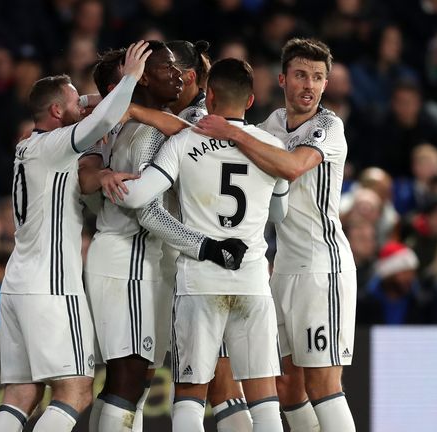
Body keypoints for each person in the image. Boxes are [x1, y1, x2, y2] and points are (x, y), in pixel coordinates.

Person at [112, 57, 289, 432]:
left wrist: (110, 177)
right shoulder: (271, 147)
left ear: (208, 97)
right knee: (265, 403)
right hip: (253, 280)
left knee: (190, 398)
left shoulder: (183, 142)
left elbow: (138, 198)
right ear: (251, 100)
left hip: (200, 283)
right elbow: (280, 213)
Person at [84, 42, 249, 432]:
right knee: (129, 380)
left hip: (126, 257)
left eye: (177, 68)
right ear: (140, 77)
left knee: (129, 383)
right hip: (130, 259)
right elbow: (147, 210)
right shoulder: (147, 132)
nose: (178, 76)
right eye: (164, 69)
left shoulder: (126, 126)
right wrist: (206, 246)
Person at [197, 38, 357, 432]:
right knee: (287, 386)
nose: (310, 85)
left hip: (323, 268)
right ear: (282, 79)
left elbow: (291, 167)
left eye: (319, 78)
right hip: (282, 268)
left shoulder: (328, 126)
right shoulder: (269, 126)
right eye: (302, 75)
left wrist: (235, 136)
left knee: (323, 384)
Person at [0, 41, 150, 432]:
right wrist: (129, 79)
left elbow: (88, 113)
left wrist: (99, 96)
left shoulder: (28, 147)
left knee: (21, 395)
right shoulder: (57, 144)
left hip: (18, 284)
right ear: (58, 112)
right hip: (52, 285)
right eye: (76, 103)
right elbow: (99, 122)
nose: (84, 107)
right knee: (76, 390)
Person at [168, 39, 253, 431]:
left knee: (197, 386)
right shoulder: (236, 130)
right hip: (233, 265)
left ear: (192, 79)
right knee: (223, 383)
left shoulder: (197, 124)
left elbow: (145, 205)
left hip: (195, 264)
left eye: (167, 71)